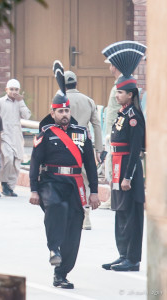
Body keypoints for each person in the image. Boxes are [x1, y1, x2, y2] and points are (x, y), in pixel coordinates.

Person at [29, 91, 100, 289]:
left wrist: (94, 191)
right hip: (51, 181)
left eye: (67, 110)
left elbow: (90, 165)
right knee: (56, 207)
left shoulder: (81, 132)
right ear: (52, 113)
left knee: (74, 229)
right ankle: (53, 249)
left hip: (75, 184)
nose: (64, 114)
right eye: (60, 111)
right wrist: (34, 189)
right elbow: (35, 162)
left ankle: (61, 274)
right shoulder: (46, 133)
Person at [102, 75, 145, 271]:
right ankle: (122, 254)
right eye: (117, 91)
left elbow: (136, 150)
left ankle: (132, 259)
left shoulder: (134, 116)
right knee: (120, 212)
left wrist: (128, 176)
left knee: (132, 214)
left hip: (129, 169)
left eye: (120, 92)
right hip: (118, 165)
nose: (117, 95)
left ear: (130, 94)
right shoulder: (122, 113)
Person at [64, 70, 103, 230]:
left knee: (65, 177)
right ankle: (86, 216)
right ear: (76, 83)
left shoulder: (60, 100)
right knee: (85, 179)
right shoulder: (88, 100)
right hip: (83, 141)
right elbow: (96, 125)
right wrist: (99, 149)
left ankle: (68, 214)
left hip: (65, 142)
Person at [0, 79, 31, 197]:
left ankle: (10, 187)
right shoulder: (0, 102)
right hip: (4, 135)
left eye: (16, 89)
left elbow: (27, 116)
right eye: (11, 89)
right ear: (6, 90)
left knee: (16, 162)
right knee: (8, 158)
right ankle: (3, 183)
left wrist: (21, 102)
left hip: (16, 136)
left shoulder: (19, 102)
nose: (14, 92)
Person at [101, 61, 121, 209]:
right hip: (112, 131)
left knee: (113, 164)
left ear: (114, 66)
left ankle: (113, 199)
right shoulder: (120, 84)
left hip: (115, 132)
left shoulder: (119, 87)